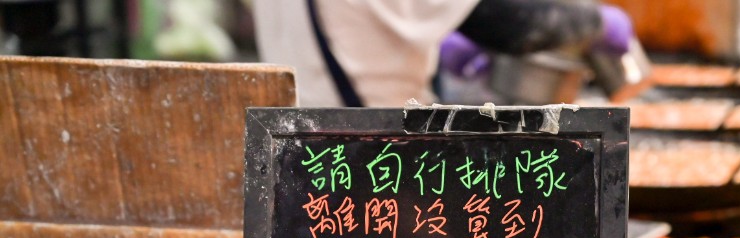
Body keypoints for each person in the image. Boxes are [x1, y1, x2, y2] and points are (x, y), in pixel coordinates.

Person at [252, 0, 632, 107]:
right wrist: (594, 21)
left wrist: (438, 40)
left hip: (300, 145)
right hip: (373, 161)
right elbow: (508, 19)